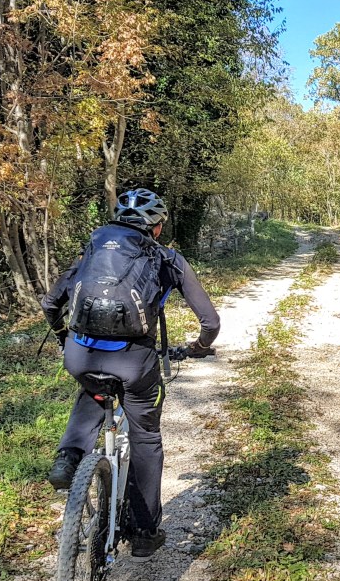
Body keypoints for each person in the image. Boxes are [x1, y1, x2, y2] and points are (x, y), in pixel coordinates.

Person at [42, 188, 220, 558]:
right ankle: (143, 531)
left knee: (91, 391)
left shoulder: (92, 251)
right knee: (145, 437)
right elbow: (210, 321)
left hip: (80, 355)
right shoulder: (167, 257)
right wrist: (199, 348)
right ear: (156, 228)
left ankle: (69, 456)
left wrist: (64, 341)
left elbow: (50, 302)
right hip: (134, 363)